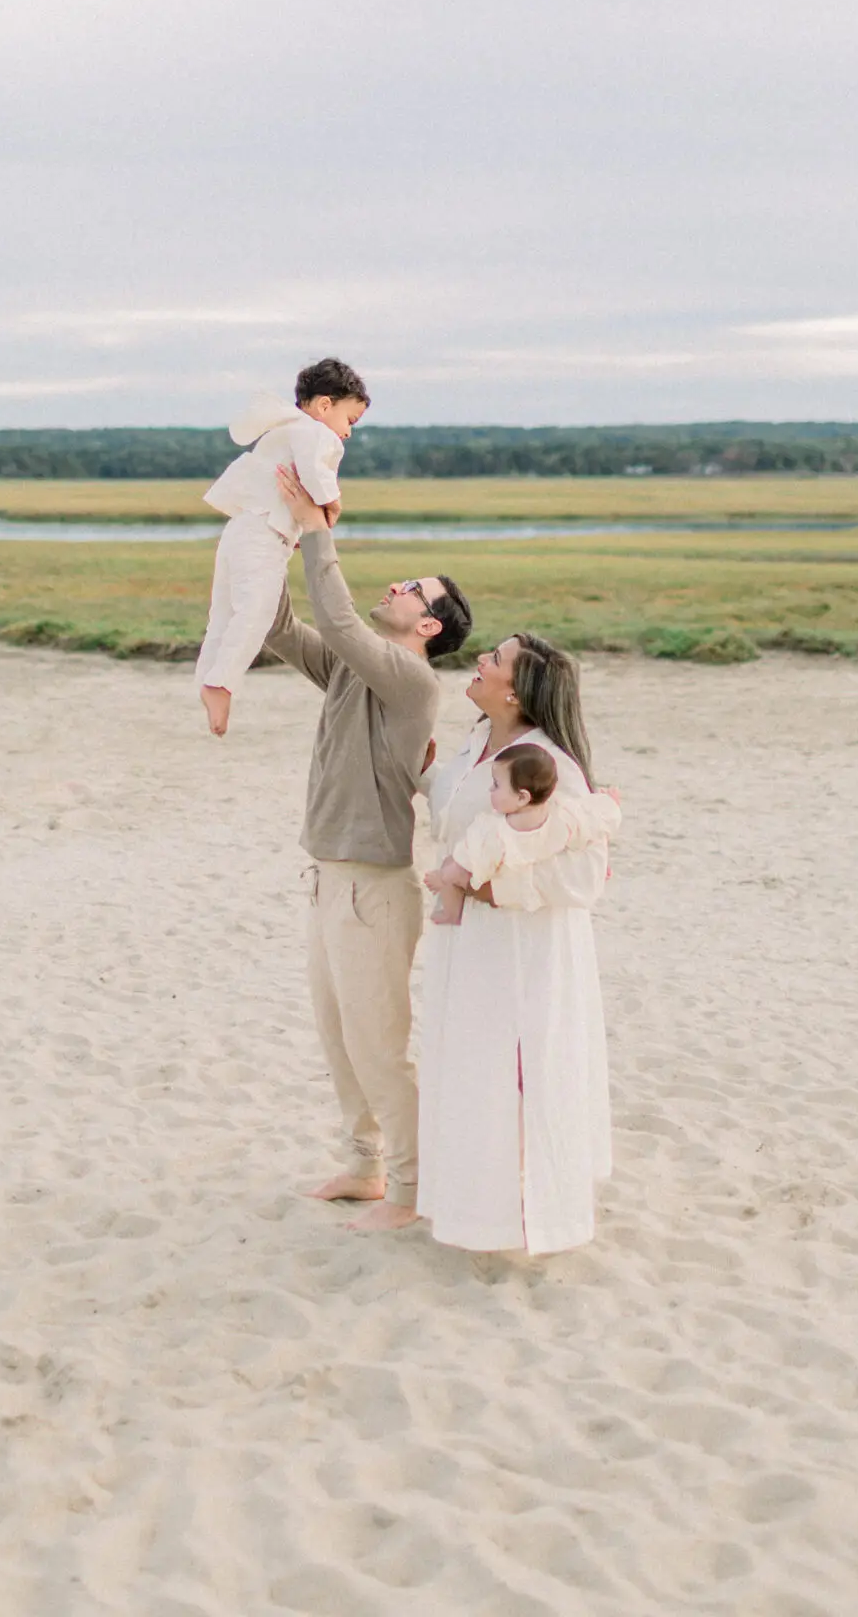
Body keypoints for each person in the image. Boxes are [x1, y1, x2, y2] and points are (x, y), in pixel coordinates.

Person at [265, 462, 472, 1232]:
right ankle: (363, 1167)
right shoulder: (355, 672)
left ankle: (413, 1196)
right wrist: (270, 538)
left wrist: (321, 533)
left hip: (373, 891)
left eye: (413, 592)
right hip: (325, 879)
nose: (398, 589)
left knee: (380, 1049)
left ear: (428, 627)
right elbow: (281, 629)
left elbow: (343, 622)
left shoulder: (411, 683)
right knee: (336, 1037)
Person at [418, 634, 619, 1255]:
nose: (480, 661)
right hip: (469, 942)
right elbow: (456, 808)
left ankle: (521, 1218)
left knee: (515, 1074)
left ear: (516, 689)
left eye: (494, 660)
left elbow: (587, 875)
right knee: (472, 1071)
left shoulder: (549, 764)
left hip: (522, 941)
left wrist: (485, 891)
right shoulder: (479, 740)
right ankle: (472, 1204)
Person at [196, 358, 369, 735]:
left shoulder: (286, 429)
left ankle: (209, 679)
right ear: (325, 405)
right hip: (261, 537)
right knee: (255, 613)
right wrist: (332, 503)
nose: (349, 433)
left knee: (224, 615)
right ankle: (221, 684)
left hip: (241, 530)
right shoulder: (315, 434)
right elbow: (314, 473)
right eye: (350, 421)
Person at [425, 742, 616, 925]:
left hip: (489, 877)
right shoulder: (560, 817)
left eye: (496, 785)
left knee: (451, 862)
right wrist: (610, 803)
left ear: (522, 797)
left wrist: (442, 877)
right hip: (516, 873)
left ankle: (451, 914)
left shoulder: (498, 832)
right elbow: (594, 821)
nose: (491, 789)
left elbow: (470, 862)